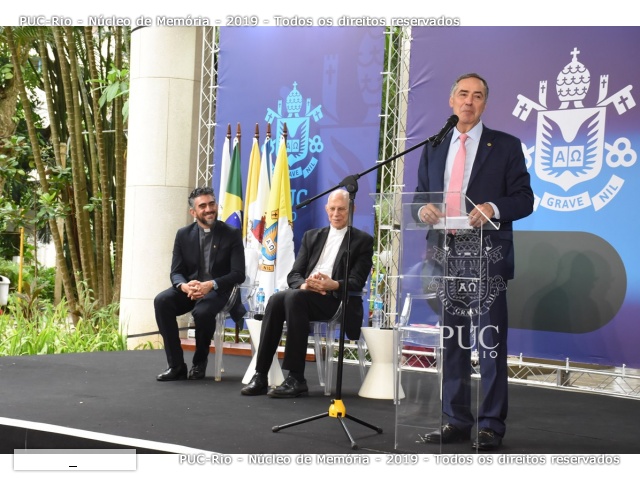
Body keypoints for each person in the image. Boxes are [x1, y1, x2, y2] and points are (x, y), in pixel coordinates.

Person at [414, 73, 533, 450]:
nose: (469, 101)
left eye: (477, 96)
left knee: (490, 342)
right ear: (451, 101)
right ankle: (456, 420)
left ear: (485, 104)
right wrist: (423, 211)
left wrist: (493, 207)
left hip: (486, 254)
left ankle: (491, 425)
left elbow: (525, 199)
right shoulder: (434, 146)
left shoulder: (506, 146)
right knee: (453, 340)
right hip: (444, 254)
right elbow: (419, 197)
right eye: (463, 94)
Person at [241, 189, 373, 398]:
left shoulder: (362, 241)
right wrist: (304, 285)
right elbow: (294, 275)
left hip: (335, 300)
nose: (336, 214)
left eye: (341, 209)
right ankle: (261, 375)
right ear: (326, 209)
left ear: (352, 209)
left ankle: (296, 378)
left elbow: (357, 281)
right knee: (276, 299)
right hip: (305, 295)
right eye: (332, 209)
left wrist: (332, 284)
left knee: (293, 298)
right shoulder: (312, 236)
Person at [154, 187, 246, 381]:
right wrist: (184, 286)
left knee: (202, 312)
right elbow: (176, 272)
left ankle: (199, 362)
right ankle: (176, 366)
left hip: (220, 291)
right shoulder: (183, 234)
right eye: (202, 206)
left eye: (211, 204)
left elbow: (238, 274)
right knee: (162, 301)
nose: (209, 209)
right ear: (193, 212)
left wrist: (210, 284)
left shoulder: (231, 233)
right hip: (191, 290)